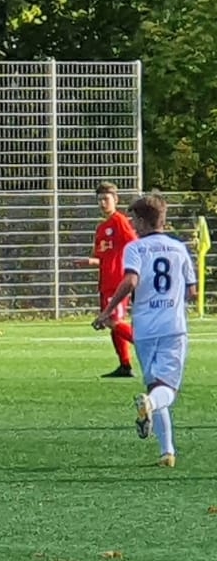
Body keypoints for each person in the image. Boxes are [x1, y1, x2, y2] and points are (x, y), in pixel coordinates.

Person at [93, 194, 195, 468]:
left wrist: (108, 310)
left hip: (145, 328)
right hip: (173, 327)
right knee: (166, 390)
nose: (133, 224)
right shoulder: (178, 248)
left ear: (141, 220)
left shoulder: (136, 248)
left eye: (134, 219)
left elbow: (130, 280)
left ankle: (167, 452)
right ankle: (150, 407)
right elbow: (192, 290)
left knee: (155, 387)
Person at [74, 182, 137, 377]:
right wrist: (89, 262)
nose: (102, 203)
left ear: (116, 200)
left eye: (106, 199)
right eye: (99, 199)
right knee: (112, 324)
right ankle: (125, 365)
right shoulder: (101, 228)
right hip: (105, 282)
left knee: (112, 320)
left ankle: (147, 345)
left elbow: (135, 245)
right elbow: (101, 258)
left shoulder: (119, 221)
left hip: (117, 282)